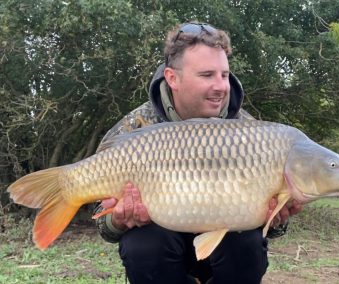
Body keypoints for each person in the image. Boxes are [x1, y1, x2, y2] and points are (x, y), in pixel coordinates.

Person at [94, 22, 302, 284]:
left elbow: (273, 231)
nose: (221, 86)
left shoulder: (250, 132)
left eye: (224, 75)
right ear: (172, 78)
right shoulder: (135, 128)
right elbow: (102, 225)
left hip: (224, 252)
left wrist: (276, 218)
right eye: (207, 75)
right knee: (143, 244)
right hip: (164, 250)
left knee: (247, 241)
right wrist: (119, 220)